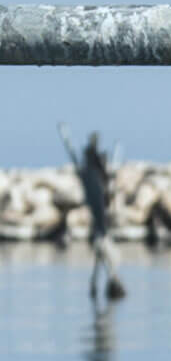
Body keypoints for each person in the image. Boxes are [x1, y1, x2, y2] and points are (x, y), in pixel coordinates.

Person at [59, 124, 126, 301]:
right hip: (100, 233)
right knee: (104, 259)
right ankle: (103, 285)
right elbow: (101, 205)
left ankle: (99, 287)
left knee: (102, 262)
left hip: (99, 232)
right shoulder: (94, 178)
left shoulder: (91, 174)